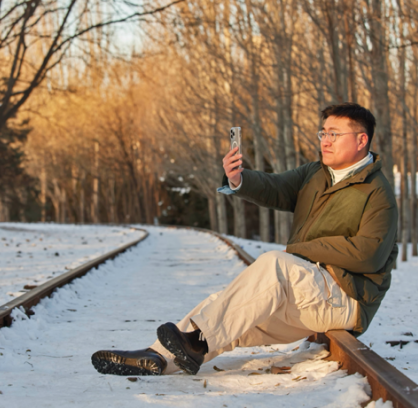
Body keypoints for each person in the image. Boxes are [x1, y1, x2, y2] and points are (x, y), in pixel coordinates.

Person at [91, 102, 398, 376]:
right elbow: (276, 187)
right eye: (323, 133)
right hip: (308, 293)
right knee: (232, 313)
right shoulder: (316, 173)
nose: (325, 140)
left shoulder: (377, 191)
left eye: (334, 134)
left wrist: (301, 250)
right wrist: (239, 178)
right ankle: (156, 358)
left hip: (346, 301)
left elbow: (368, 254)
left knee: (273, 265)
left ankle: (193, 343)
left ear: (361, 140)